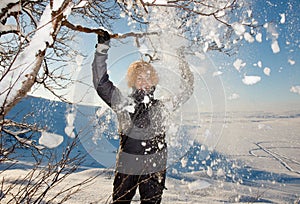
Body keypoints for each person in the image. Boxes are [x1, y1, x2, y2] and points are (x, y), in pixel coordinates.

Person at [92, 30, 194, 204]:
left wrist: (181, 60)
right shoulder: (123, 103)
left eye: (148, 78)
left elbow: (186, 89)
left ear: (154, 81)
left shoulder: (161, 107)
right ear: (133, 81)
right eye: (139, 78)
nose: (144, 82)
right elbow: (101, 84)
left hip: (155, 165)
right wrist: (102, 49)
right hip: (127, 164)